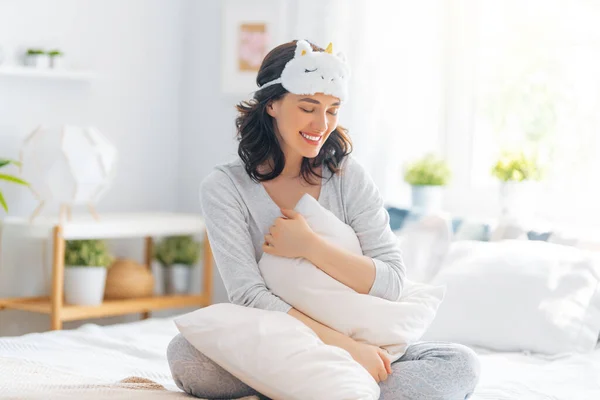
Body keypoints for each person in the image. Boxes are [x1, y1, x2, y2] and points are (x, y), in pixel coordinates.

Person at [167, 39, 480, 399]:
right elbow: (249, 297)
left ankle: (309, 388)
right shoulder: (225, 187)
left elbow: (392, 281)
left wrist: (310, 247)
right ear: (271, 104)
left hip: (364, 333)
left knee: (459, 364)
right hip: (288, 339)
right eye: (308, 107)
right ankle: (338, 386)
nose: (322, 123)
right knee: (187, 356)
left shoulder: (347, 176)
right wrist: (347, 350)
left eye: (333, 110)